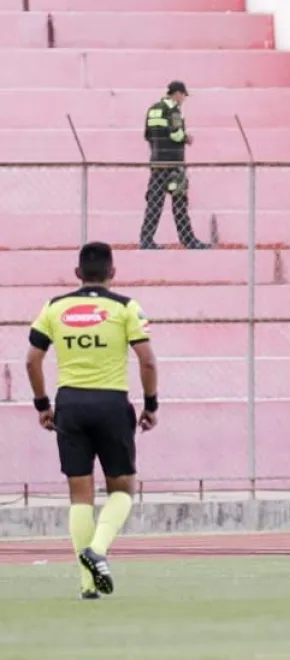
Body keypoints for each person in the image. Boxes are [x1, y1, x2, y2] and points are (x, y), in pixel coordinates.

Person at [25, 242, 159, 598]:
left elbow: (32, 360)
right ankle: (97, 550)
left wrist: (42, 404)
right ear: (112, 273)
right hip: (111, 403)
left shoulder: (54, 307)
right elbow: (147, 360)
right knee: (123, 489)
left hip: (70, 404)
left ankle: (87, 585)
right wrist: (151, 404)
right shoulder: (126, 307)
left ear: (77, 273)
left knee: (79, 496)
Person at [139, 80, 211, 250]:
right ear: (177, 94)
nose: (184, 99)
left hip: (157, 163)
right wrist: (187, 138)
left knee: (154, 203)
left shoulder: (153, 109)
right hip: (174, 164)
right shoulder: (173, 111)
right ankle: (188, 240)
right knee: (179, 203)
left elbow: (147, 135)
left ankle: (146, 240)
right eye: (183, 95)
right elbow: (176, 134)